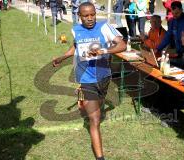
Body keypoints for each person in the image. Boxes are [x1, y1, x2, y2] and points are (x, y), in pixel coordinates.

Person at [52, 2, 126, 160]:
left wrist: (103, 50)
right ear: (80, 16)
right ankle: (100, 157)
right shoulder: (75, 29)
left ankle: (83, 99)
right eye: (86, 16)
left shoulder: (104, 27)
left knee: (99, 105)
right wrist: (63, 57)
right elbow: (76, 46)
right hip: (86, 78)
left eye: (93, 14)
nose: (90, 18)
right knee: (95, 118)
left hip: (104, 76)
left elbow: (122, 45)